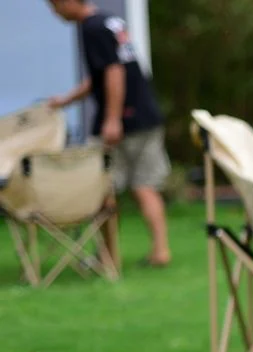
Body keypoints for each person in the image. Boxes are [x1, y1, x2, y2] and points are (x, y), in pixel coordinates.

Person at [47, 0, 172, 267]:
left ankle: (107, 256)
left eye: (54, 4)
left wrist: (112, 119)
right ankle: (160, 251)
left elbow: (114, 72)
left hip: (123, 120)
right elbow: (103, 73)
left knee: (101, 189)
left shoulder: (91, 28)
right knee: (145, 186)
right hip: (145, 114)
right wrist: (67, 100)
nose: (53, 11)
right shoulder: (108, 21)